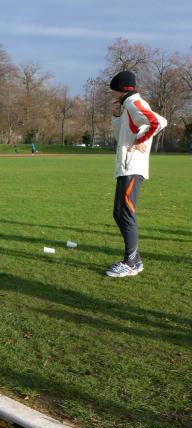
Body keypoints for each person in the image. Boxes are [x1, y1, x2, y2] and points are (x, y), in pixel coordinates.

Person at [106, 70, 166, 277]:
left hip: (133, 167)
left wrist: (141, 141)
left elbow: (159, 122)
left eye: (113, 89)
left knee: (125, 213)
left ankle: (130, 263)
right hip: (125, 167)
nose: (111, 93)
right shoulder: (127, 107)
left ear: (121, 89)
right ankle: (135, 260)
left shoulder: (134, 103)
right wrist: (116, 116)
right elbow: (121, 137)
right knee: (118, 213)